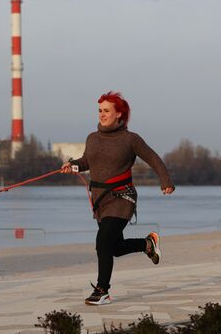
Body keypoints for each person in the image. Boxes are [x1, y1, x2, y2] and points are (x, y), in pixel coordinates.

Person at [61, 91, 175, 306]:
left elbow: (153, 158)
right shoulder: (92, 138)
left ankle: (102, 290)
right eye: (100, 111)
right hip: (100, 200)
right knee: (112, 247)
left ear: (119, 114)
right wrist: (73, 164)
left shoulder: (130, 139)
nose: (102, 115)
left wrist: (165, 181)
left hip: (122, 197)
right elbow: (87, 161)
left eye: (106, 111)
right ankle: (147, 245)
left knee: (102, 241)